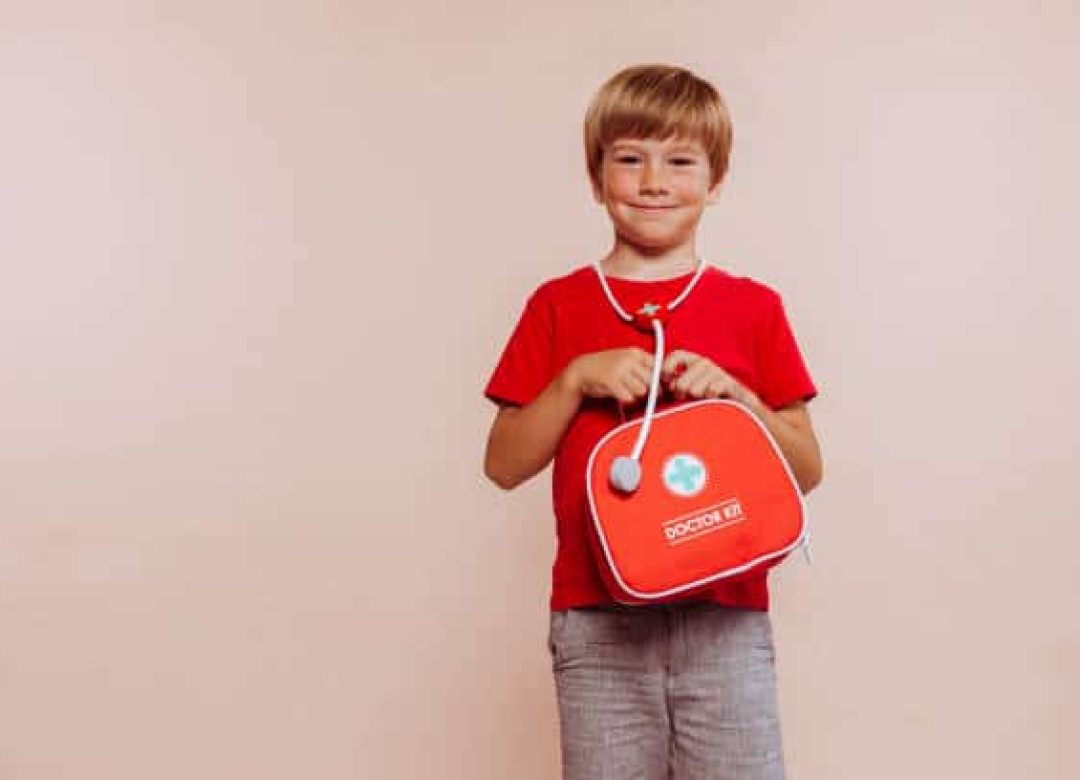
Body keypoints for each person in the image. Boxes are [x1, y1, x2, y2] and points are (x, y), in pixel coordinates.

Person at [482, 63, 823, 780]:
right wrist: (577, 379)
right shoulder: (558, 305)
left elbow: (808, 470)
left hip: (727, 619)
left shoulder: (754, 307)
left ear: (716, 179)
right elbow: (504, 463)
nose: (653, 181)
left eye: (680, 161)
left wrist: (740, 399)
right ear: (596, 176)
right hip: (596, 621)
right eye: (629, 159)